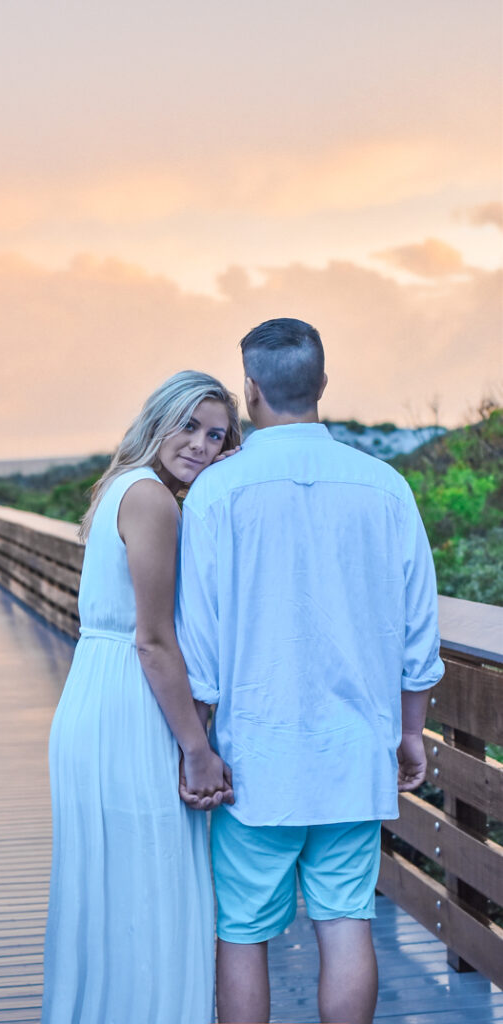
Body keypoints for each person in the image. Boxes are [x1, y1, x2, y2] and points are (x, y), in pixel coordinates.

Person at [177, 318, 444, 1024]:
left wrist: (195, 746)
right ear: (321, 385)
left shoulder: (217, 491)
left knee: (241, 933)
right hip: (355, 751)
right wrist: (410, 730)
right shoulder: (384, 487)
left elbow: (196, 642)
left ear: (250, 389)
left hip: (250, 755)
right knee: (345, 921)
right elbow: (419, 628)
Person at [41, 370, 240, 1024]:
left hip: (96, 694)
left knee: (112, 896)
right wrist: (197, 750)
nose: (200, 445)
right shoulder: (153, 500)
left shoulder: (121, 489)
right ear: (157, 420)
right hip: (133, 704)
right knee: (156, 893)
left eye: (215, 435)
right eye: (188, 425)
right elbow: (153, 641)